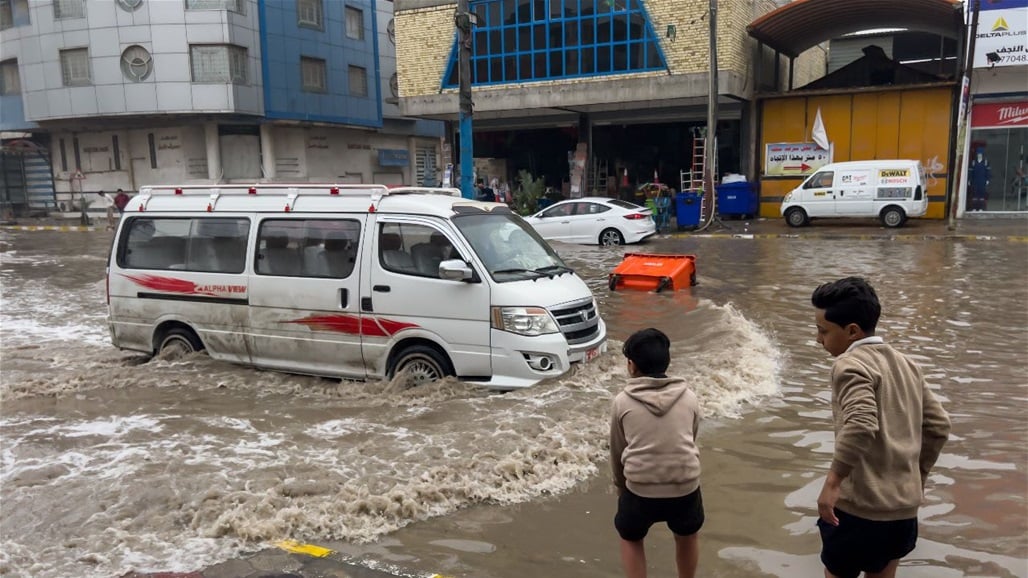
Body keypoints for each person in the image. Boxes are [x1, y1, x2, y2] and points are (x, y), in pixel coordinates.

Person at [810, 277, 951, 578]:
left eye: (823, 331)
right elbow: (939, 426)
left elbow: (861, 423)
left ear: (851, 332)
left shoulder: (849, 365)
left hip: (858, 512)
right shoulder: (907, 364)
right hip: (902, 514)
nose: (818, 340)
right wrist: (917, 476)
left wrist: (833, 483)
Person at [610, 328, 703, 578]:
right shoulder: (689, 397)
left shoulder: (622, 402)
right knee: (687, 534)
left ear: (631, 365)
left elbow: (618, 451)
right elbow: (690, 439)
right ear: (667, 361)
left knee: (630, 536)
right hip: (685, 485)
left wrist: (622, 489)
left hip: (640, 488)